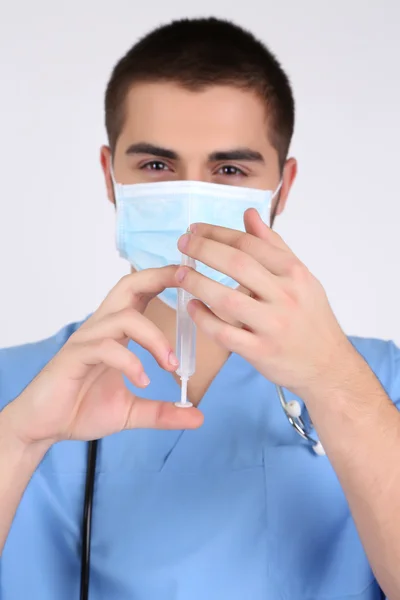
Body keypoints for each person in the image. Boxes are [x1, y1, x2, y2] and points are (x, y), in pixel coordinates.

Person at [0, 16, 399, 600]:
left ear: (282, 189)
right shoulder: (16, 387)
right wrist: (17, 441)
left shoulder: (380, 382)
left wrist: (338, 386)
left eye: (229, 170)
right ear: (111, 177)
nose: (190, 199)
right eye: (157, 166)